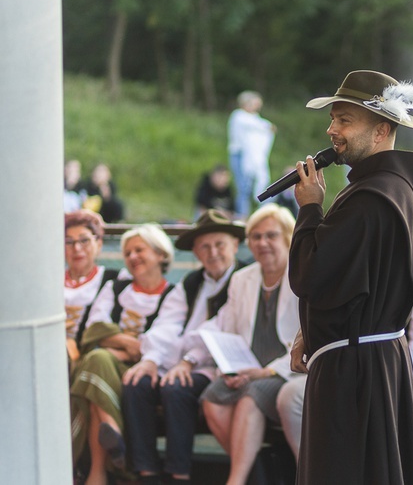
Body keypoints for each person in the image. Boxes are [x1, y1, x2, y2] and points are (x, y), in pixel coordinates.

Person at [287, 69, 413, 484]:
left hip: (355, 372)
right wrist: (316, 330)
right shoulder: (391, 189)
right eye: (333, 118)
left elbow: (310, 275)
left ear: (381, 130)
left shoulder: (370, 198)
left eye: (345, 120)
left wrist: (310, 208)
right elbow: (354, 284)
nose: (332, 129)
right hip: (367, 358)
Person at [276, 259, 413, 479]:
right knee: (291, 396)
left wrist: (385, 375)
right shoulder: (348, 265)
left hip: (410, 369)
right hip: (347, 363)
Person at [120, 210, 247, 484]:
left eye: (219, 244)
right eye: (204, 246)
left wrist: (188, 360)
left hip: (220, 363)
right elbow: (168, 322)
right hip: (180, 361)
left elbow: (223, 328)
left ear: (234, 245)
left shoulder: (243, 279)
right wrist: (151, 359)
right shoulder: (192, 283)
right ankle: (147, 472)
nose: (212, 252)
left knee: (176, 388)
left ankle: (180, 474)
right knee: (137, 382)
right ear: (196, 253)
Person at [180, 204, 300, 485]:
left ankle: (235, 480)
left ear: (287, 237)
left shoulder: (302, 274)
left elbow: (310, 336)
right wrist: (231, 367)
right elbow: (231, 330)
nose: (262, 243)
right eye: (255, 237)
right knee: (212, 398)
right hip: (247, 367)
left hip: (286, 371)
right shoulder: (242, 279)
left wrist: (264, 372)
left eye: (270, 235)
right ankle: (259, 475)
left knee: (250, 397)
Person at [70, 224, 187, 485]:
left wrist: (115, 346)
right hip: (107, 365)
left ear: (160, 254)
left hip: (144, 371)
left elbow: (164, 338)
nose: (132, 257)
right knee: (97, 362)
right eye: (128, 253)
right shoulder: (116, 287)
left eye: (139, 250)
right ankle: (110, 432)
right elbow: (94, 327)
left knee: (96, 362)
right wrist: (127, 343)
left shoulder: (173, 294)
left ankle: (96, 471)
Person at [64, 210, 120, 365]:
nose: (77, 248)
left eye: (84, 241)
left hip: (91, 358)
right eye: (69, 242)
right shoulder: (51, 281)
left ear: (99, 244)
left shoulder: (115, 281)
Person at [227, 90, 276, 218]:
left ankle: (260, 214)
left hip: (251, 156)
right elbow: (258, 126)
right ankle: (242, 215)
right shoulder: (238, 116)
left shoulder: (255, 118)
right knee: (243, 187)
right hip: (240, 155)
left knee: (256, 184)